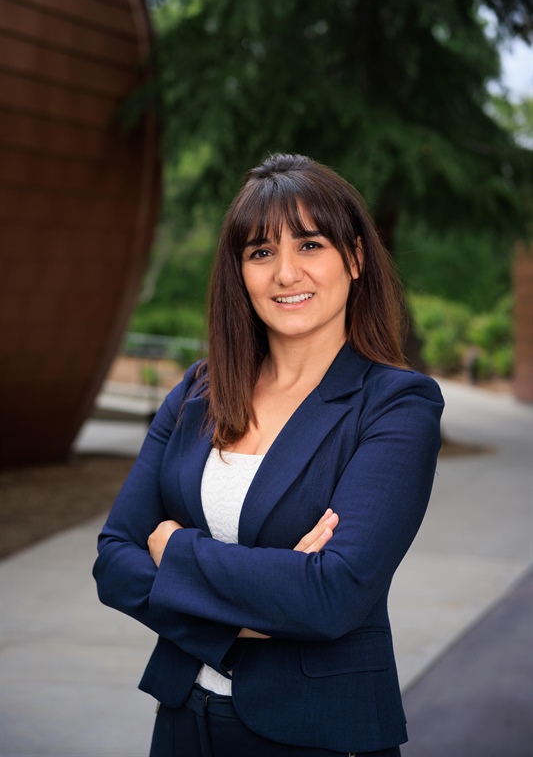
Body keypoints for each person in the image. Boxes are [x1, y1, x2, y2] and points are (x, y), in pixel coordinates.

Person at [93, 153, 444, 757]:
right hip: (182, 718)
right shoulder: (198, 393)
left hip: (317, 734)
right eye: (261, 252)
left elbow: (330, 598)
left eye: (310, 245)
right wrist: (272, 599)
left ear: (355, 259)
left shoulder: (396, 406)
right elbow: (114, 562)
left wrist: (176, 550)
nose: (286, 273)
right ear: (241, 273)